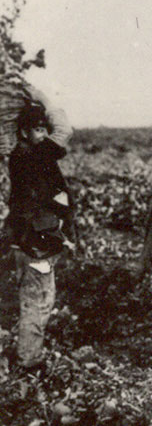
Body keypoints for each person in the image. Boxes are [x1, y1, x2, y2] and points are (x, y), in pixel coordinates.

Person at [5, 98, 73, 369]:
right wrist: (43, 98)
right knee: (38, 301)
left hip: (29, 240)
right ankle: (29, 360)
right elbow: (64, 130)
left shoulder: (22, 155)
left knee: (38, 299)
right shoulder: (32, 156)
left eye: (45, 129)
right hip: (34, 243)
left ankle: (28, 354)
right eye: (37, 129)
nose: (43, 135)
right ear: (24, 132)